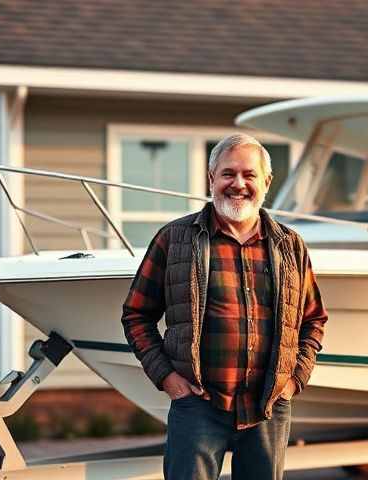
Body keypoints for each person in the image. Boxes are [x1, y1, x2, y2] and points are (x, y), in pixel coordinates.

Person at [121, 133, 328, 480]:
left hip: (268, 407)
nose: (238, 184)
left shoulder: (290, 245)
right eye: (228, 174)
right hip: (197, 406)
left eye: (249, 175)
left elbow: (313, 319)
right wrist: (168, 379)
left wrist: (293, 381)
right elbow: (136, 315)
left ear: (266, 182)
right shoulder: (173, 239)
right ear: (211, 179)